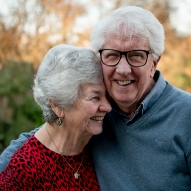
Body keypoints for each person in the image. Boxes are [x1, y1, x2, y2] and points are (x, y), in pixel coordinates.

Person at [1, 5, 191, 191]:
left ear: (154, 62)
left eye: (136, 56)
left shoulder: (186, 115)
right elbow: (51, 132)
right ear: (101, 59)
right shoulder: (99, 112)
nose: (123, 70)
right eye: (112, 55)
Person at [0, 44, 111, 190]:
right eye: (95, 97)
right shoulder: (23, 170)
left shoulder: (94, 148)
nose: (108, 107)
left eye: (107, 96)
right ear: (58, 105)